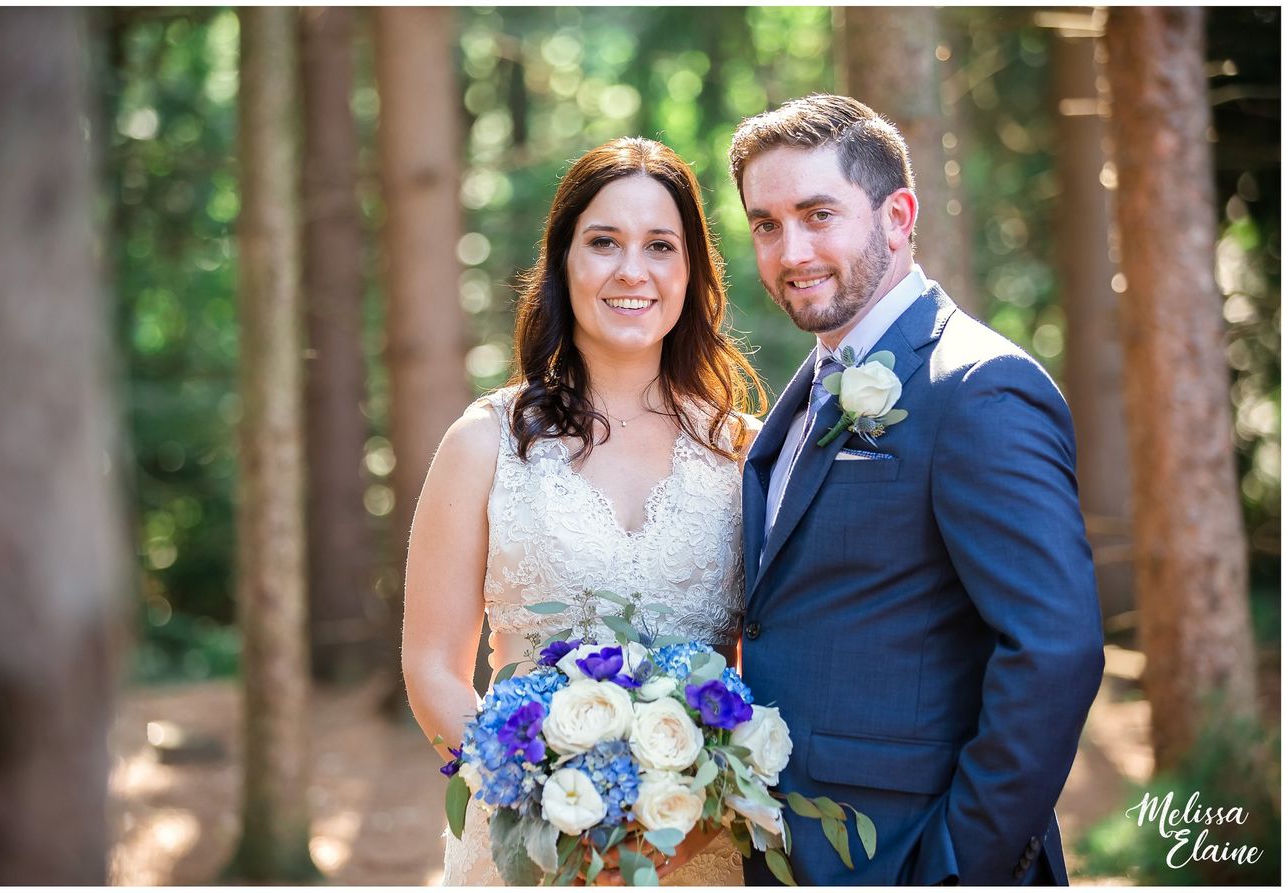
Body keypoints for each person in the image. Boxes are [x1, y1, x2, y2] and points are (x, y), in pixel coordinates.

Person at [729, 94, 1104, 885]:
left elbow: (1053, 651)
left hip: (909, 853)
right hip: (791, 850)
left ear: (897, 216)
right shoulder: (800, 399)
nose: (790, 249)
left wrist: (956, 868)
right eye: (766, 224)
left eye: (818, 214)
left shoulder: (980, 387)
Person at [403, 136, 764, 886]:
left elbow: (765, 666)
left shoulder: (743, 455)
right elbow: (432, 663)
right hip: (527, 849)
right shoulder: (486, 443)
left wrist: (688, 806)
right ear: (564, 263)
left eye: (660, 245)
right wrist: (547, 802)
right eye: (604, 242)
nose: (632, 270)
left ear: (691, 270)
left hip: (697, 847)